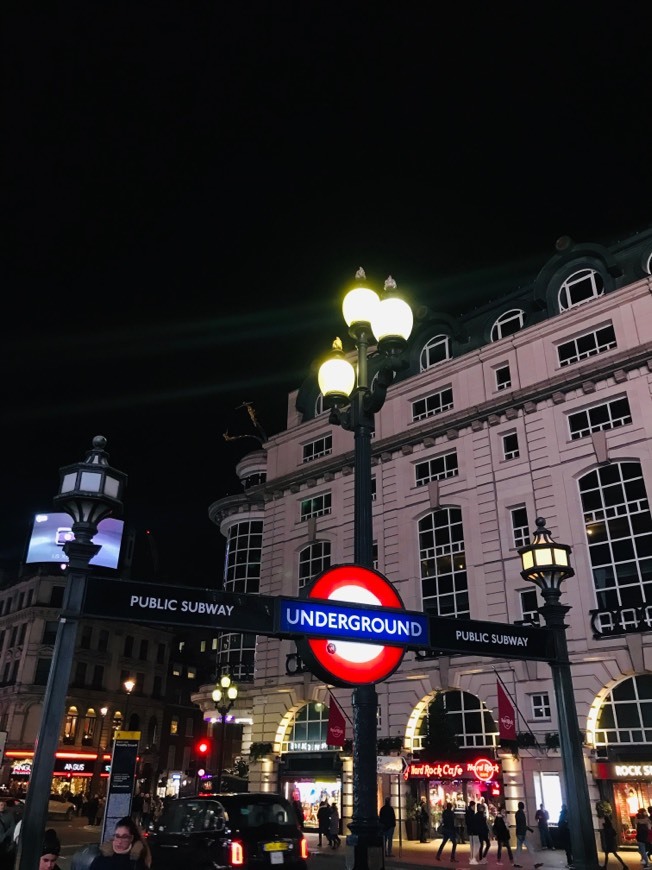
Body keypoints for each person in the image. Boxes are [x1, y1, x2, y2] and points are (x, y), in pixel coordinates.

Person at [0, 799, 17, 870]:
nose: (2, 806)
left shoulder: (9, 815)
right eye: (1, 805)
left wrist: (5, 835)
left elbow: (13, 827)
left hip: (4, 841)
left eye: (4, 805)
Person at [558, 804, 573, 869]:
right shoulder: (568, 813)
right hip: (568, 832)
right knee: (570, 848)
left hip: (565, 832)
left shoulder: (563, 814)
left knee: (567, 849)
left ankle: (570, 862)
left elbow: (560, 823)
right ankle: (572, 862)